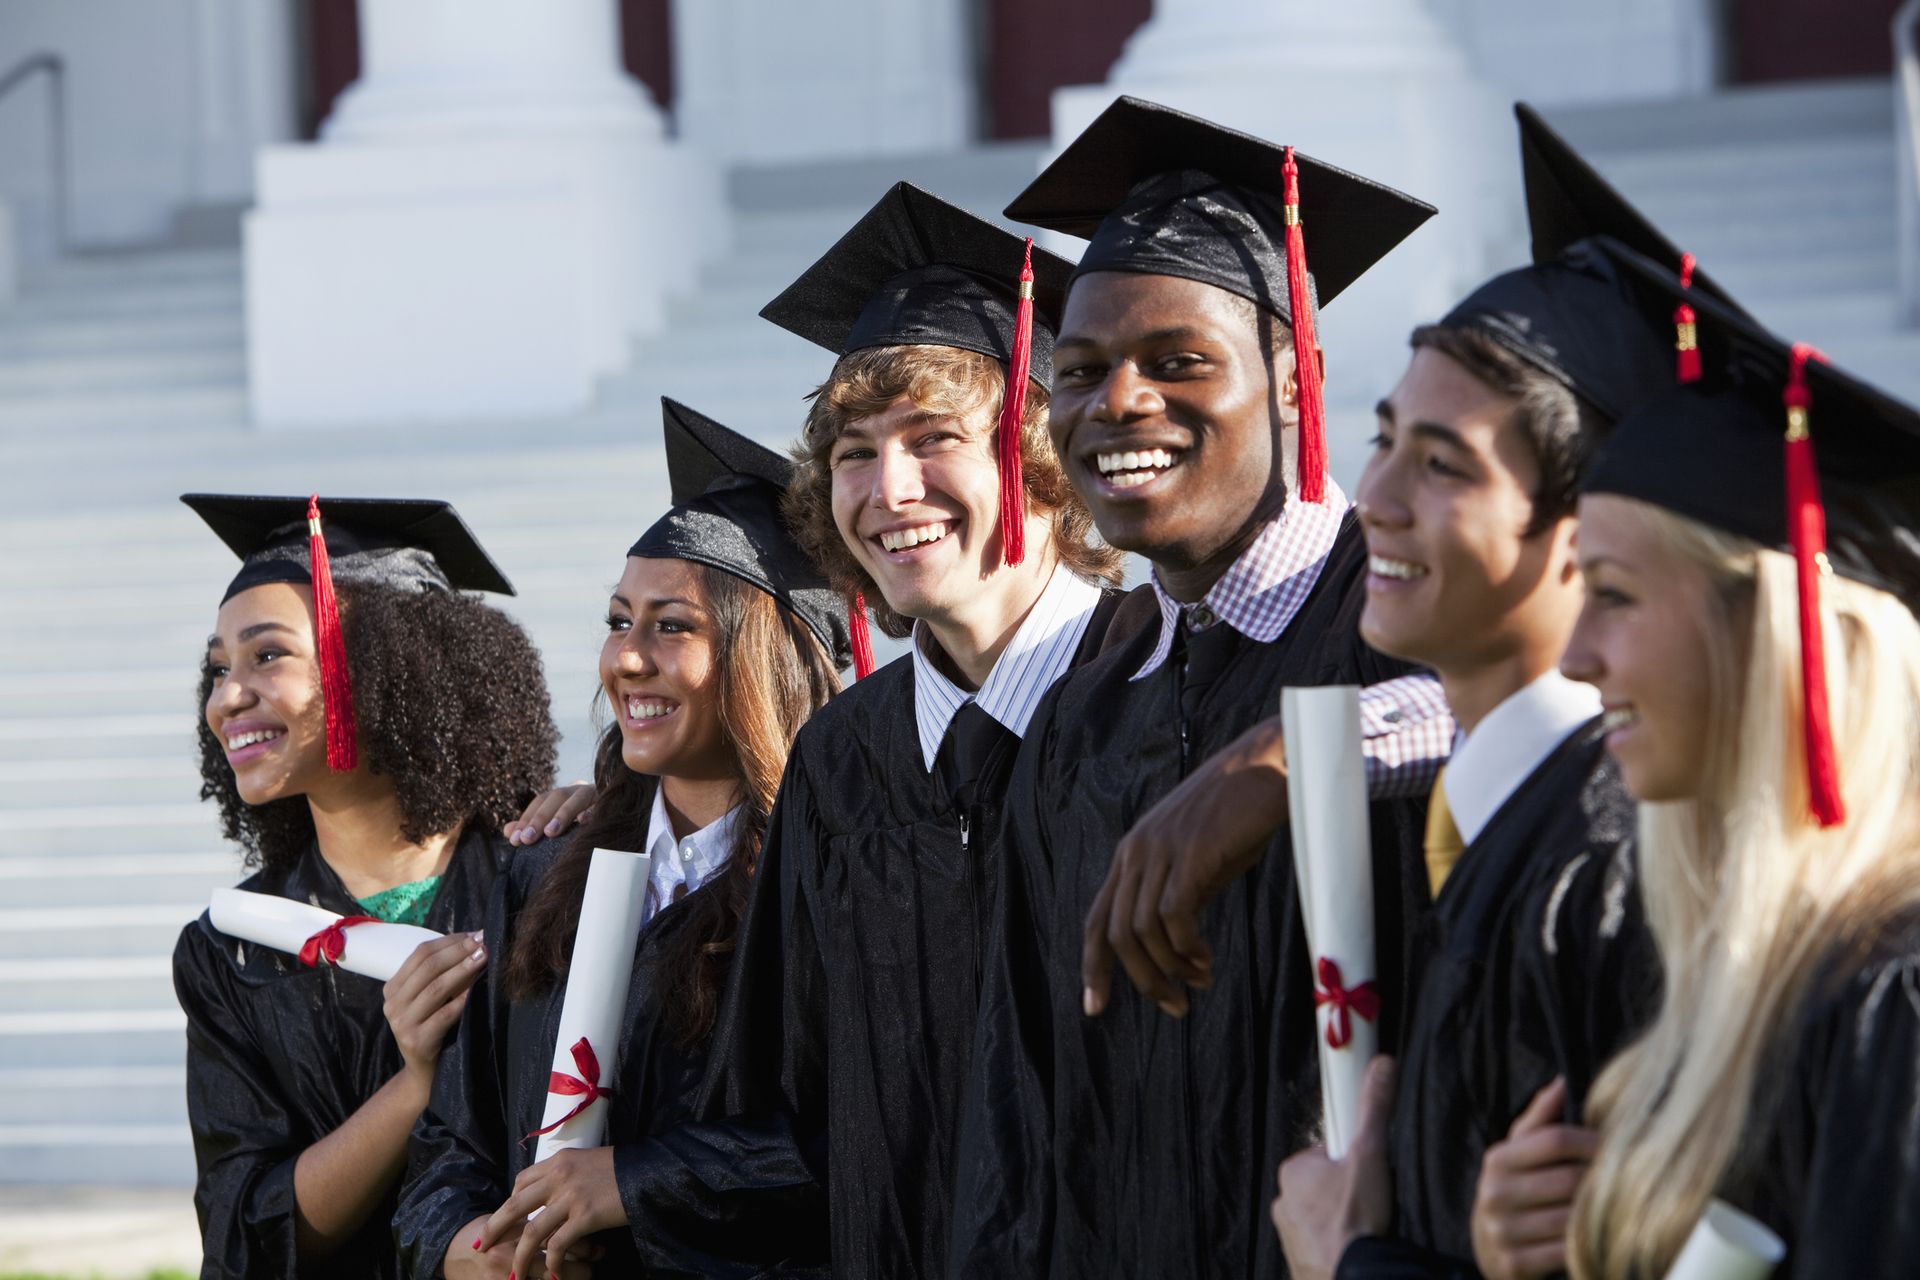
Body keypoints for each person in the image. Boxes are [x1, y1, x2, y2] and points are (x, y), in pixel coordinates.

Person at [948, 96, 1453, 1280]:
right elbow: (1018, 1103)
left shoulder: (1399, 615)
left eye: (1179, 362)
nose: (1118, 403)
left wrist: (1302, 756)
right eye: (1080, 371)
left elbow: (1548, 706)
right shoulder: (1084, 705)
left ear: (1296, 376)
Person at [1268, 103, 1734, 1279]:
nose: (1370, 495)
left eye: (1441, 465)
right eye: (1383, 438)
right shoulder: (1483, 821)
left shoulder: (1615, 860)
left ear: (1591, 534)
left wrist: (1349, 1256)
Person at [687, 182, 1135, 1279]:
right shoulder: (843, 760)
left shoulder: (1162, 704)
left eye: (935, 439)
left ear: (1038, 453)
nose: (889, 488)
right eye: (852, 451)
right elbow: (781, 1104)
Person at [391, 399, 850, 1280]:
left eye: (672, 625)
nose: (627, 658)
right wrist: (465, 1251)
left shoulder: (832, 885)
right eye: (616, 619)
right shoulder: (544, 873)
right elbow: (455, 1135)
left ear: (767, 657)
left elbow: (856, 1148)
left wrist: (631, 1187)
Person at [1551, 239, 1920, 1277]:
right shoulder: (1748, 969)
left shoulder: (1895, 1000)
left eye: (1614, 594)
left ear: (1772, 633)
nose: (1576, 656)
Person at [175, 494, 558, 1280]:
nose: (227, 697)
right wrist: (416, 1083)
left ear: (385, 666)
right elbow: (253, 1232)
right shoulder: (236, 949)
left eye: (267, 655)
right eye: (218, 668)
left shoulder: (546, 886)